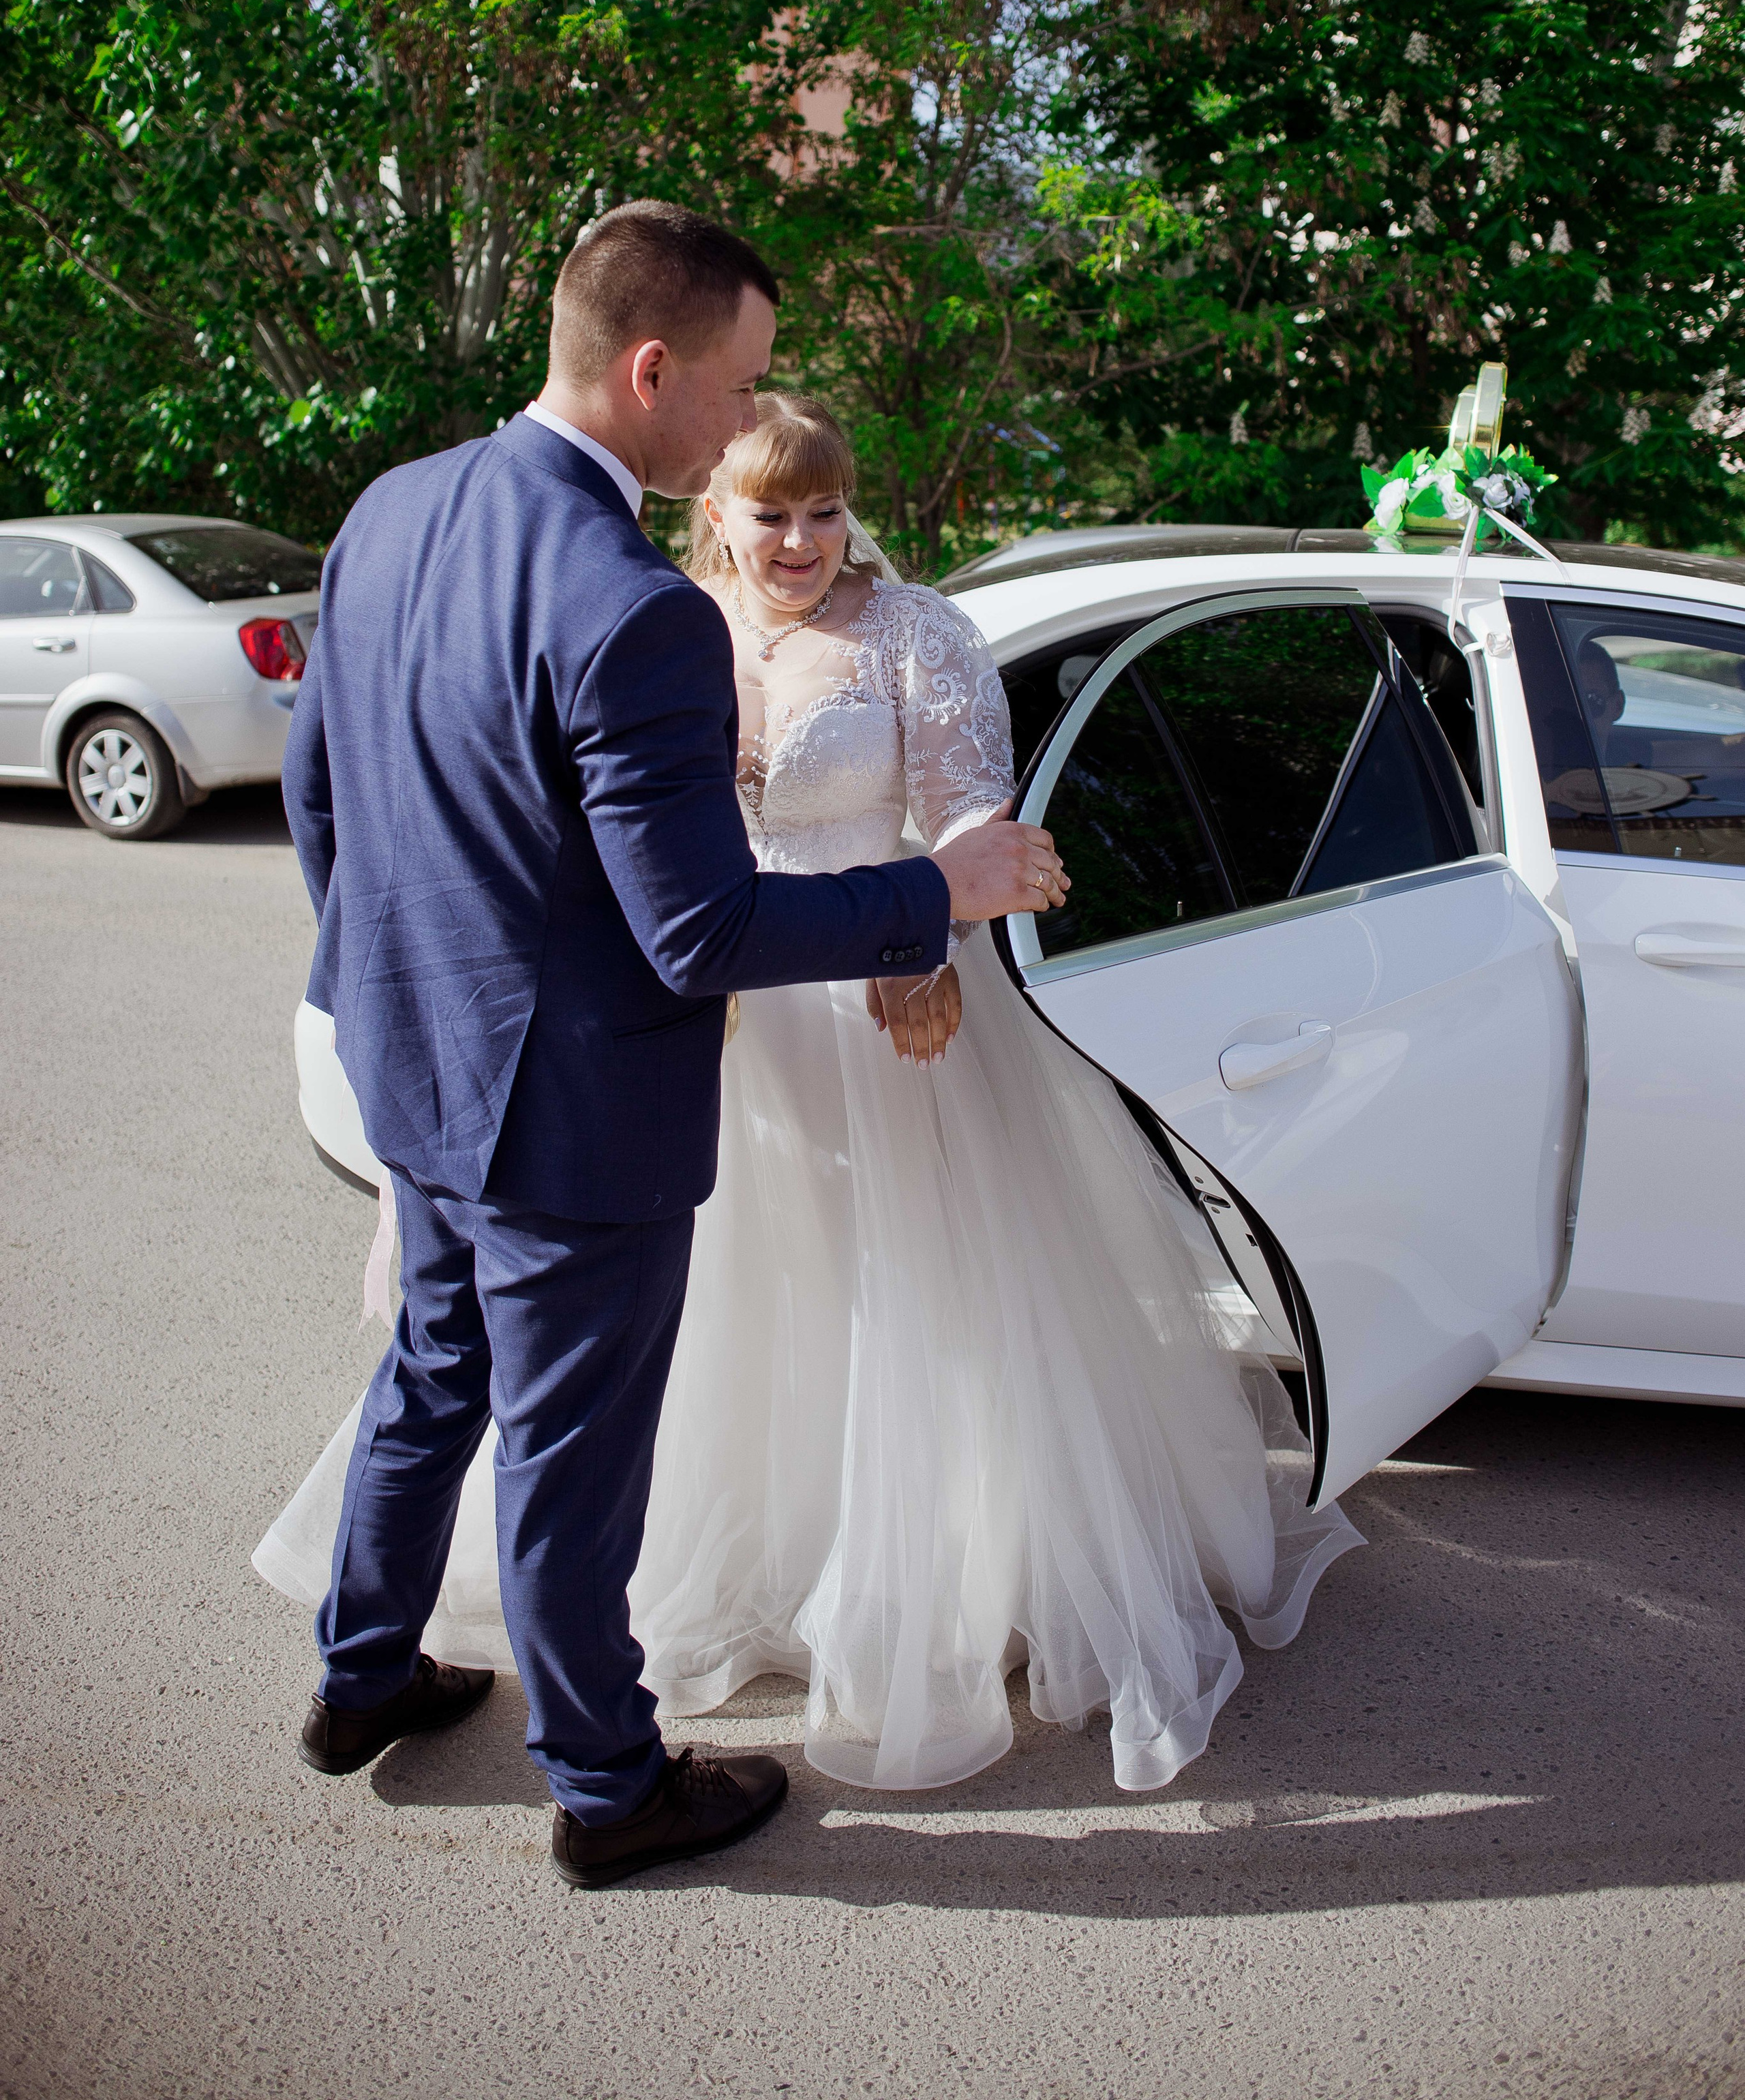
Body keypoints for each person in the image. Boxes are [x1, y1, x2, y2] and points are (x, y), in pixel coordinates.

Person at [262, 378, 1360, 1820]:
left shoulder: (910, 632)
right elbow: (634, 871)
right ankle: (594, 1765)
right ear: (711, 509)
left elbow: (971, 811)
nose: (800, 539)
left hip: (861, 1031)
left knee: (860, 1329)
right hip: (686, 1033)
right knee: (615, 1383)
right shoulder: (651, 614)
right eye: (769, 511)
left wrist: (928, 938)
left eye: (825, 510)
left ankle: (396, 1671)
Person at [266, 204, 1067, 1892]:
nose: (741, 423)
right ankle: (610, 1785)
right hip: (572, 1109)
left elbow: (319, 798)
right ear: (648, 369)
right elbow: (697, 931)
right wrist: (936, 887)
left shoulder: (389, 509)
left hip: (415, 1060)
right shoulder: (636, 607)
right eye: (734, 386)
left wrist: (389, 980)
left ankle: (359, 1678)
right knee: (566, 1442)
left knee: (430, 1372)